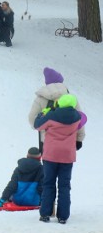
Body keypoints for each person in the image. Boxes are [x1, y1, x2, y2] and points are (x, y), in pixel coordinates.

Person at [34, 94, 82, 224]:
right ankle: (63, 217)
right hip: (67, 156)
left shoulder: (51, 115)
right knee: (64, 186)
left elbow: (37, 126)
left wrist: (42, 114)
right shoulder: (77, 117)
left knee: (48, 184)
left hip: (51, 154)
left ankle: (45, 214)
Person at [27, 67, 84, 153]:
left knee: (48, 166)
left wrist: (41, 125)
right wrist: (79, 138)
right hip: (68, 141)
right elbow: (80, 119)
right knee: (65, 165)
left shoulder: (40, 98)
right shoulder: (70, 98)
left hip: (47, 142)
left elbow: (32, 118)